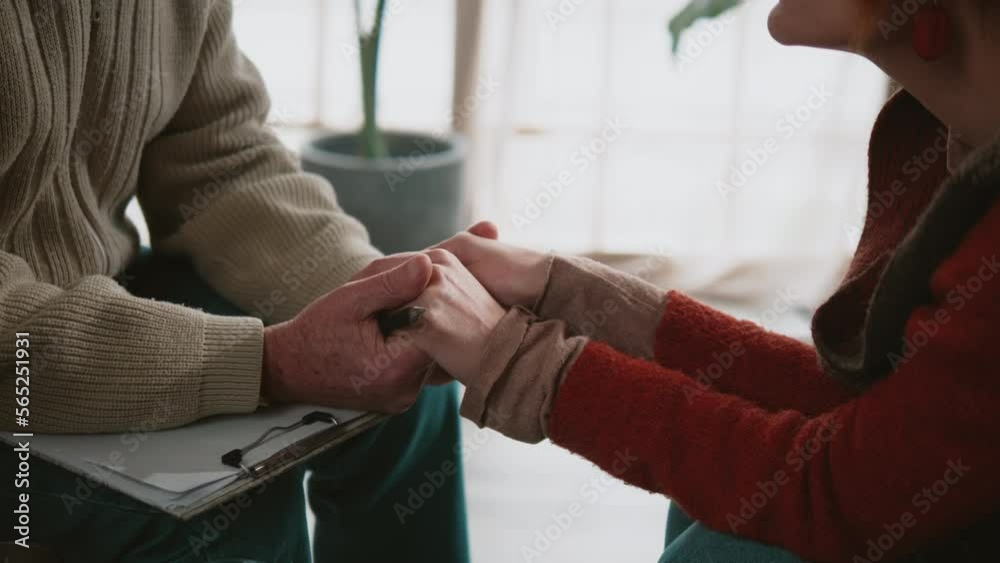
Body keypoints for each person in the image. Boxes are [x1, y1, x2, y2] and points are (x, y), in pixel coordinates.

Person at [362, 0, 1000, 561]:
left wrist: (518, 360)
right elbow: (879, 419)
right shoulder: (956, 133)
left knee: (729, 549)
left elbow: (842, 493)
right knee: (715, 507)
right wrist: (566, 290)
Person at [0, 1, 466, 561]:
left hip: (97, 288)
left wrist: (378, 295)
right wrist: (264, 363)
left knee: (411, 388)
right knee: (226, 511)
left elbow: (218, 160)